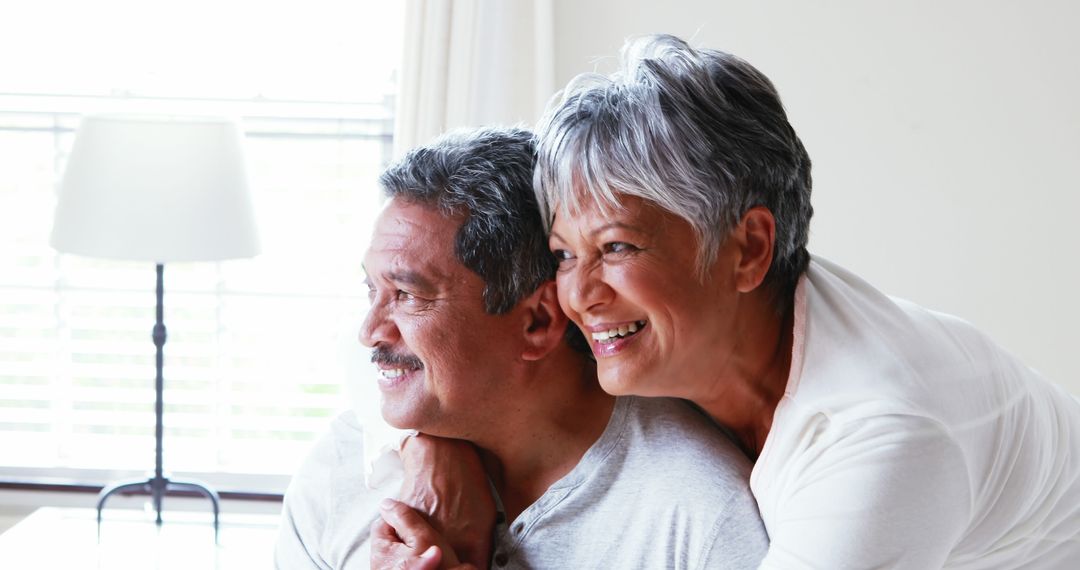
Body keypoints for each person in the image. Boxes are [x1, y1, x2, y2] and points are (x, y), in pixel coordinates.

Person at [402, 35, 1080, 569]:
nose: (577, 295)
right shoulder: (664, 328)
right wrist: (435, 450)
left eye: (617, 246)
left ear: (749, 247)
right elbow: (433, 352)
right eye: (563, 254)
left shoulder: (883, 437)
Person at [273, 126, 769, 569]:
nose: (371, 331)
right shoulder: (339, 472)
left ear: (537, 321)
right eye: (373, 290)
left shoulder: (702, 517)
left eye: (407, 295)